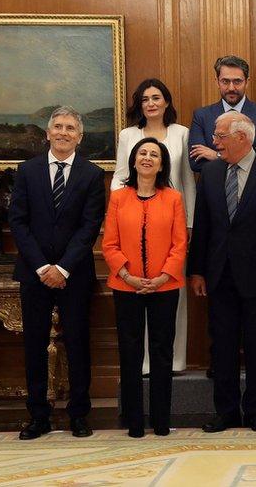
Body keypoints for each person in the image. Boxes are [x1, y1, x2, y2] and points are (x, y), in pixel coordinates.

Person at [189, 111, 256, 433]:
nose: (214, 142)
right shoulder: (209, 174)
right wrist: (196, 272)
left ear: (242, 138)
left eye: (220, 136)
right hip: (219, 275)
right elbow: (204, 226)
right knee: (221, 347)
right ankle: (224, 411)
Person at [9, 106, 106, 440]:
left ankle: (79, 414)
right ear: (48, 133)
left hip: (74, 274)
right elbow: (18, 222)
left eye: (70, 128)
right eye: (58, 127)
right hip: (34, 273)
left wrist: (63, 267)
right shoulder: (27, 171)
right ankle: (38, 416)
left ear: (79, 136)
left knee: (79, 343)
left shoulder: (92, 175)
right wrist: (42, 266)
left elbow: (90, 226)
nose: (64, 132)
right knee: (34, 346)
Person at [102, 138, 187, 437]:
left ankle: (162, 420)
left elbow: (180, 244)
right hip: (126, 287)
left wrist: (164, 276)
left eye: (154, 154)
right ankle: (134, 421)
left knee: (162, 351)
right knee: (130, 351)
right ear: (134, 161)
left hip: (165, 286)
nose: (148, 158)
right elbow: (109, 244)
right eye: (142, 153)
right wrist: (127, 276)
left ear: (162, 164)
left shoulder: (174, 198)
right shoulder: (118, 198)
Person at [113, 79, 195, 373]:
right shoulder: (128, 135)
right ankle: (143, 362)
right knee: (135, 290)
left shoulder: (181, 133)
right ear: (139, 104)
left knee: (172, 288)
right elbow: (119, 177)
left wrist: (190, 222)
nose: (151, 103)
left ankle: (173, 360)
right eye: (145, 98)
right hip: (134, 219)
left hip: (173, 223)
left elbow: (187, 179)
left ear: (166, 102)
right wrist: (120, 216)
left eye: (156, 97)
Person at [188, 55, 256, 172]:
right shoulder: (201, 116)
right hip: (216, 188)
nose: (231, 88)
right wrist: (251, 155)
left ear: (247, 82)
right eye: (225, 81)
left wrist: (216, 155)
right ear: (217, 82)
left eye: (237, 81)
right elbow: (196, 163)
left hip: (254, 188)